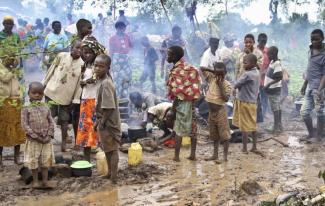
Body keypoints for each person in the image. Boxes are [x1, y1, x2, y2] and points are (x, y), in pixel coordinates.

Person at [43, 40, 84, 151]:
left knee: (64, 120)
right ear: (71, 46)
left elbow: (79, 85)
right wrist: (44, 84)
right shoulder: (61, 56)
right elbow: (51, 70)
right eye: (77, 47)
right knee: (48, 117)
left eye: (81, 49)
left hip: (66, 97)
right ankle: (46, 142)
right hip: (51, 92)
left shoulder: (82, 65)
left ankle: (64, 144)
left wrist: (75, 99)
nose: (79, 50)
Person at [166, 46, 200, 162]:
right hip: (192, 102)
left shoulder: (176, 71)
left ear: (174, 57)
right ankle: (193, 155)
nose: (167, 56)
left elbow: (177, 93)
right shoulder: (190, 68)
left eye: (169, 54)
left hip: (182, 103)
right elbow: (195, 85)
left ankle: (176, 156)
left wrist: (173, 109)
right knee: (193, 128)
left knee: (179, 129)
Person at [76, 37, 106, 161]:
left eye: (89, 52)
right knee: (85, 130)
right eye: (84, 52)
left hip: (94, 101)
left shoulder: (97, 66)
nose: (86, 55)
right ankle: (86, 158)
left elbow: (94, 79)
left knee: (96, 129)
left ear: (95, 53)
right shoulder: (85, 65)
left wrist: (84, 82)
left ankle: (103, 157)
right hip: (85, 100)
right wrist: (83, 82)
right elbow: (84, 81)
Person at [21, 82, 55, 188]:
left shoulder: (46, 107)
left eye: (39, 93)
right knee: (33, 161)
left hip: (46, 141)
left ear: (43, 95)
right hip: (33, 141)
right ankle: (35, 181)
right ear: (28, 94)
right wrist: (36, 137)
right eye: (34, 93)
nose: (37, 95)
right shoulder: (25, 108)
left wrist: (49, 135)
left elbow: (51, 122)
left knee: (45, 162)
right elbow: (25, 125)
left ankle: (45, 181)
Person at [94, 54, 121, 184]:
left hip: (109, 122)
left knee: (113, 149)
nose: (97, 68)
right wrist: (98, 122)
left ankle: (114, 176)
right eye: (96, 65)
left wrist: (102, 122)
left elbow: (109, 107)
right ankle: (110, 172)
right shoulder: (102, 81)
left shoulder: (106, 84)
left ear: (108, 68)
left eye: (101, 66)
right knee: (107, 149)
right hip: (104, 120)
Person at [201, 62, 232, 163]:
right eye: (217, 73)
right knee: (214, 135)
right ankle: (215, 155)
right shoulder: (211, 78)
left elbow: (226, 99)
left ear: (225, 73)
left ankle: (225, 157)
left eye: (221, 73)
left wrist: (220, 86)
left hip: (220, 112)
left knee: (224, 135)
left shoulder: (227, 84)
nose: (219, 76)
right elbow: (202, 68)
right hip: (211, 112)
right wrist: (213, 71)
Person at [300, 29, 325, 140]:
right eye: (312, 39)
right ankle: (311, 134)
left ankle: (319, 136)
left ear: (322, 39)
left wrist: (319, 90)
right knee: (304, 112)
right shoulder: (310, 51)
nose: (314, 41)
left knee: (320, 112)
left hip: (320, 87)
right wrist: (304, 84)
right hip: (310, 86)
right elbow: (309, 69)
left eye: (317, 39)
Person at [233, 54, 260, 153]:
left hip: (244, 102)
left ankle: (244, 148)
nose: (243, 64)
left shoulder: (247, 74)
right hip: (253, 103)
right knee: (253, 125)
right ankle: (254, 147)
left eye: (245, 62)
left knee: (244, 126)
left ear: (252, 63)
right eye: (243, 62)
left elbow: (237, 83)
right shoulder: (257, 72)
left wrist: (233, 88)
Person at [0, 59, 25, 166]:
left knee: (18, 130)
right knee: (2, 131)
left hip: (15, 102)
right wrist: (14, 69)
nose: (14, 60)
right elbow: (5, 78)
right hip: (3, 103)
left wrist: (21, 96)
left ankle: (16, 157)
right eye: (11, 57)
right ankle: (0, 161)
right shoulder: (2, 68)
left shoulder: (14, 70)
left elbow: (20, 84)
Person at [235, 34, 263, 123]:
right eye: (246, 42)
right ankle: (244, 127)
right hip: (242, 85)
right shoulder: (240, 55)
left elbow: (259, 68)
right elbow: (237, 69)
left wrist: (249, 54)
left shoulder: (258, 53)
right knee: (243, 106)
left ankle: (253, 127)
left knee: (253, 106)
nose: (248, 44)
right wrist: (237, 81)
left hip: (252, 85)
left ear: (254, 42)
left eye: (250, 42)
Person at [109, 21, 132, 98]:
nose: (122, 29)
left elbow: (131, 46)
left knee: (127, 77)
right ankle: (117, 97)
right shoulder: (112, 38)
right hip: (117, 59)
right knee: (117, 78)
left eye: (123, 28)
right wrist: (111, 63)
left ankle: (125, 95)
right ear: (117, 28)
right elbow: (111, 51)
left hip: (126, 59)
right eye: (121, 28)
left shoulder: (127, 37)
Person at [264, 46, 283, 134]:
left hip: (274, 89)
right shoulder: (272, 62)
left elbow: (279, 77)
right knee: (277, 107)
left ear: (273, 54)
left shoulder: (277, 63)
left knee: (275, 108)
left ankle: (276, 127)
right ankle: (279, 125)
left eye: (268, 54)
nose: (267, 55)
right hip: (272, 89)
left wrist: (268, 84)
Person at [257, 33, 270, 118]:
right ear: (258, 40)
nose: (263, 42)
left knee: (265, 97)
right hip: (256, 79)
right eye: (262, 41)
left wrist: (266, 70)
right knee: (257, 97)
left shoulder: (268, 51)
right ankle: (258, 114)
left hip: (265, 79)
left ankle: (264, 113)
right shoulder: (254, 51)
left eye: (265, 41)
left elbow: (272, 63)